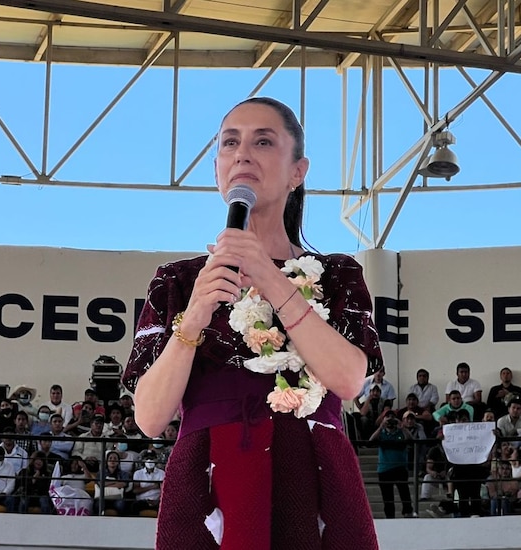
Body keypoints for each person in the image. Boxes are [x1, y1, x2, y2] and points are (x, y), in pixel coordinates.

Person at [124, 97, 381, 548]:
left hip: (312, 470)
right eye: (230, 143)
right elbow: (149, 418)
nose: (242, 153)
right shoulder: (179, 281)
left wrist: (268, 275)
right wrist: (198, 312)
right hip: (210, 475)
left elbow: (348, 379)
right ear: (218, 168)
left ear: (297, 171)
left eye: (263, 141)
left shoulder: (339, 274)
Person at [369, 411, 414, 518]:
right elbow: (371, 441)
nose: (390, 420)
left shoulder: (401, 432)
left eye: (392, 418)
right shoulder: (382, 433)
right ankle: (390, 517)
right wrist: (381, 427)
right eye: (387, 417)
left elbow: (410, 439)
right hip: (384, 469)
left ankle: (408, 513)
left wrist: (402, 427)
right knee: (387, 496)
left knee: (404, 493)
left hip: (400, 468)